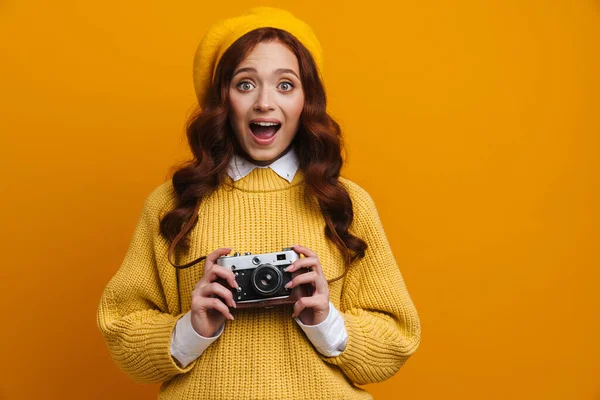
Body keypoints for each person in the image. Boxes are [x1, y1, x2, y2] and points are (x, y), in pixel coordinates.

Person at [96, 6, 420, 400]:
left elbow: (398, 339)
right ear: (222, 99)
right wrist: (192, 329)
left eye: (285, 85)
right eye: (245, 84)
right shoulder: (172, 204)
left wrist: (324, 319)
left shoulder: (346, 203)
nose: (265, 103)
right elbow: (121, 329)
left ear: (306, 100)